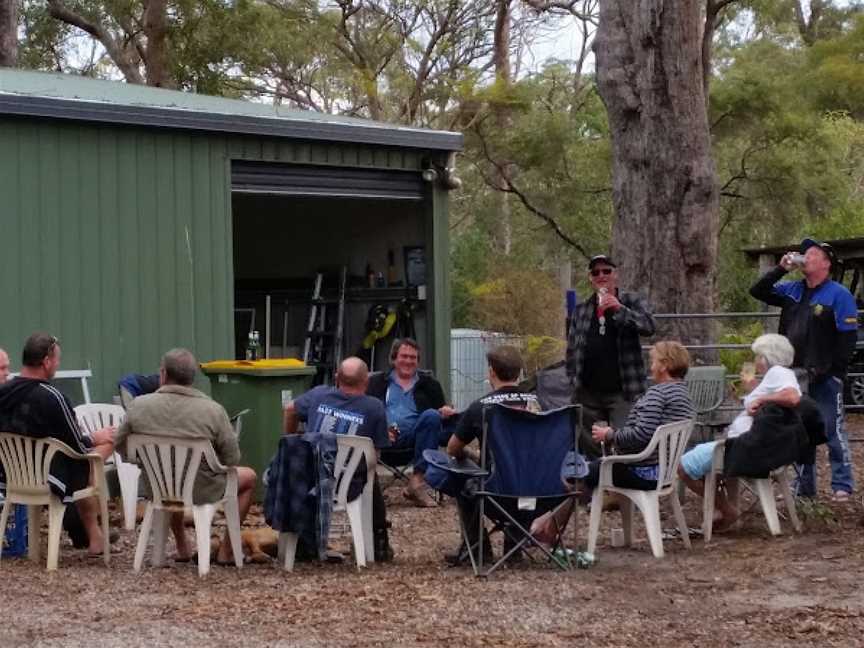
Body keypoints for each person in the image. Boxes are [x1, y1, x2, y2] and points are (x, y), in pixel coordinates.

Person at [115, 348, 257, 564]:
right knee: (249, 477)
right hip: (202, 488)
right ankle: (227, 551)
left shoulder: (138, 406)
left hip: (158, 485)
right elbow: (232, 459)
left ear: (163, 374)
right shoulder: (212, 410)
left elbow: (120, 444)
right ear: (193, 378)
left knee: (171, 473)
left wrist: (140, 460)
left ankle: (182, 546)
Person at [750, 238, 857, 501]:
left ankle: (841, 484)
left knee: (832, 428)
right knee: (800, 430)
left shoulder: (839, 295)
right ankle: (804, 486)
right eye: (803, 253)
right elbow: (758, 290)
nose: (804, 256)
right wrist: (781, 269)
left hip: (825, 375)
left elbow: (848, 339)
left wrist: (834, 372)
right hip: (794, 374)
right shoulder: (793, 290)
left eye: (810, 253)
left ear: (825, 262)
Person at [0, 333, 115, 555]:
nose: (58, 365)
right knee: (99, 450)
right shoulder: (52, 397)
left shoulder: (3, 394)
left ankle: (92, 534)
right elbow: (79, 446)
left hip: (11, 477)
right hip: (51, 479)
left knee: (80, 459)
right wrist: (97, 436)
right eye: (57, 360)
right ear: (46, 362)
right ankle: (94, 535)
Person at [678, 334, 802, 529]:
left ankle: (727, 510)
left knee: (684, 468)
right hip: (748, 445)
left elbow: (793, 397)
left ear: (766, 357)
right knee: (711, 467)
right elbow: (768, 397)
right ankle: (725, 510)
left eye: (757, 356)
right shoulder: (775, 376)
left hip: (747, 448)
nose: (755, 360)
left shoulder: (779, 372)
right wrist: (751, 390)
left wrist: (761, 399)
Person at [283, 356, 394, 561]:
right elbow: (375, 455)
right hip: (347, 485)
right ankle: (378, 542)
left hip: (308, 482)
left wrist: (291, 440)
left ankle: (303, 543)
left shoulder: (318, 395)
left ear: (336, 378)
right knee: (370, 473)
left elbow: (290, 409)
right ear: (366, 381)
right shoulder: (374, 407)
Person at [444, 345, 541, 565]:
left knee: (459, 476)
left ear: (491, 372)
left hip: (495, 491)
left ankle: (478, 548)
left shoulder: (480, 407)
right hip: (537, 492)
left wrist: (473, 455)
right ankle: (514, 548)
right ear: (519, 373)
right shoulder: (538, 405)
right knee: (518, 474)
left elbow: (452, 449)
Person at [566, 255, 656, 458]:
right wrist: (573, 381)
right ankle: (597, 486)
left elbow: (649, 327)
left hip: (623, 392)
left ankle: (621, 487)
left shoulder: (632, 301)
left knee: (625, 444)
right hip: (588, 393)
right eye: (595, 272)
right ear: (590, 278)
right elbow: (572, 349)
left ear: (616, 274)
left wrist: (619, 309)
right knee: (591, 448)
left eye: (606, 271)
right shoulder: (581, 310)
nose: (601, 275)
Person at [585, 341, 695, 491]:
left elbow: (641, 435)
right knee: (594, 469)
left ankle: (554, 514)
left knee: (582, 473)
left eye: (653, 362)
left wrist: (610, 434)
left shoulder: (658, 394)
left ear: (664, 365)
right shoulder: (684, 394)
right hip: (666, 472)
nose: (651, 368)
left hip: (644, 473)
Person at [366, 338, 457, 507]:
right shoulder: (377, 383)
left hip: (419, 441)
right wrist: (379, 431)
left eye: (413, 357)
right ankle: (370, 492)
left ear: (418, 361)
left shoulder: (430, 384)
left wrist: (445, 411)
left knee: (431, 415)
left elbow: (441, 414)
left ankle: (416, 483)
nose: (408, 361)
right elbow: (365, 412)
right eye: (404, 356)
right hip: (383, 441)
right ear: (394, 358)